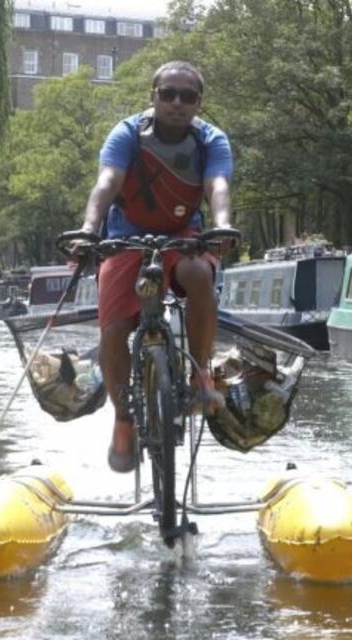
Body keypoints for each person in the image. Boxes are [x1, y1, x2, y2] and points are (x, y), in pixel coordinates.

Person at [72, 60, 235, 473]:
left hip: (183, 235)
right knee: (113, 330)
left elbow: (217, 184)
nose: (177, 103)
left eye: (188, 96)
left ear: (199, 102)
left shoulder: (210, 140)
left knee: (199, 275)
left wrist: (221, 226)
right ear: (153, 96)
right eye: (168, 94)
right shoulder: (127, 134)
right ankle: (123, 419)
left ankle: (200, 376)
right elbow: (107, 181)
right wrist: (89, 230)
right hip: (126, 236)